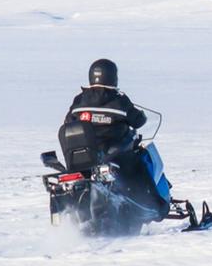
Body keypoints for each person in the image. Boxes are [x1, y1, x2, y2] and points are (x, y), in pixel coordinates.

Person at [65, 58, 174, 211]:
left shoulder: (79, 100)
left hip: (82, 157)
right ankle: (154, 204)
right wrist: (139, 116)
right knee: (140, 163)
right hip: (113, 154)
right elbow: (138, 121)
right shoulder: (118, 100)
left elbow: (67, 122)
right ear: (113, 77)